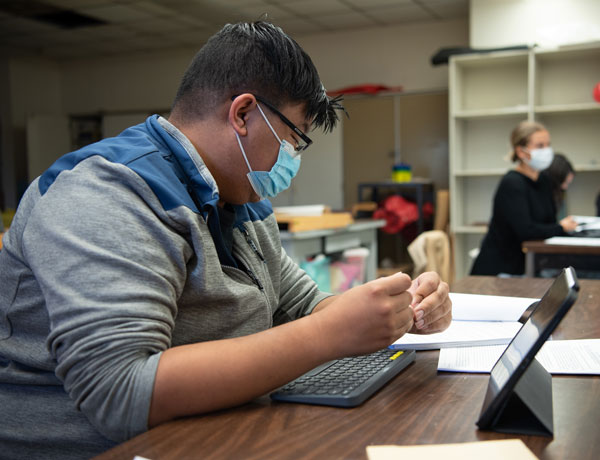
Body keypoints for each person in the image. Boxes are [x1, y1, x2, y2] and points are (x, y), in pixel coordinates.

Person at [0, 21, 452, 459]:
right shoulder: (108, 192)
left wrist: (395, 311)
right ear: (242, 114)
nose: (294, 159)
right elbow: (121, 393)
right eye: (294, 139)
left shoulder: (240, 196)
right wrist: (325, 335)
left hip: (216, 429)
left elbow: (306, 304)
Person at [471, 120, 577, 276]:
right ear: (521, 152)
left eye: (548, 145)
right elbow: (526, 230)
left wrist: (560, 227)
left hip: (528, 265)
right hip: (500, 270)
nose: (546, 150)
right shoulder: (512, 183)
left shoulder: (544, 180)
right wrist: (561, 227)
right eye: (540, 146)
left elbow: (548, 222)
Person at [540, 152, 575, 219]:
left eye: (568, 183)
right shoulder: (541, 196)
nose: (565, 187)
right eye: (564, 182)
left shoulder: (559, 195)